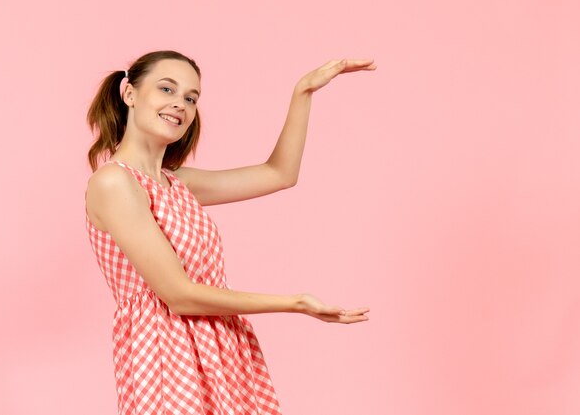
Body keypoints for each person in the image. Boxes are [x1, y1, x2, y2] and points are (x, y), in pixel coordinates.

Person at [84, 50, 375, 415]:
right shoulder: (114, 182)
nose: (181, 105)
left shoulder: (176, 183)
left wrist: (303, 92)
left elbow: (279, 174)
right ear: (130, 94)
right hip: (166, 355)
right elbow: (180, 296)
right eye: (166, 89)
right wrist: (295, 303)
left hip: (219, 347)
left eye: (191, 98)